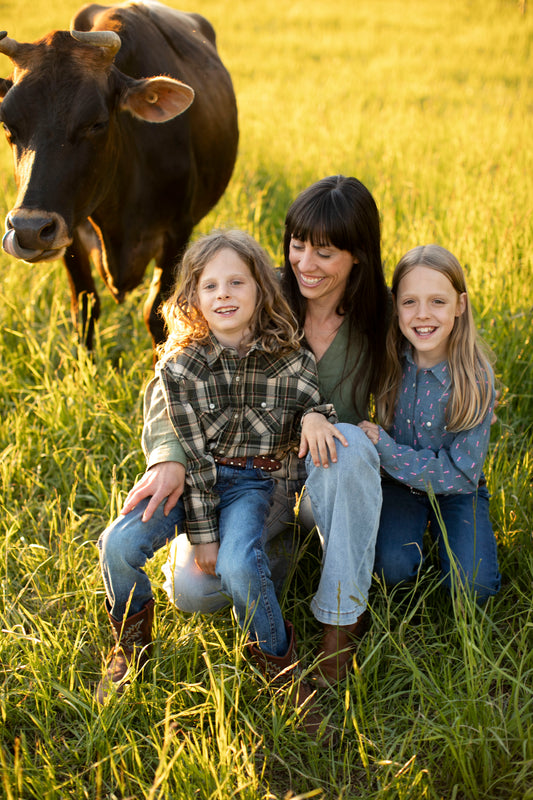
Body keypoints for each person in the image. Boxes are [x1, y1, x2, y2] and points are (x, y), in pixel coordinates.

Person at [96, 229, 346, 721]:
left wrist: (319, 416)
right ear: (192, 297)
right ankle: (131, 646)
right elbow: (192, 454)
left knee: (236, 566)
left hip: (255, 484)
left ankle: (279, 665)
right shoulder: (180, 367)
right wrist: (203, 535)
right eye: (210, 286)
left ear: (260, 290)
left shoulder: (291, 359)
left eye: (237, 283)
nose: (224, 295)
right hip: (196, 480)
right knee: (117, 546)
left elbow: (314, 408)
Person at [157, 175, 390, 686]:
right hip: (251, 480)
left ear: (358, 256)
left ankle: (340, 623)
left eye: (325, 252)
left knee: (347, 449)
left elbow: (408, 390)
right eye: (298, 245)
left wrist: (376, 433)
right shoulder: (259, 293)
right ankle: (278, 554)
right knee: (193, 593)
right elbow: (174, 374)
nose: (305, 263)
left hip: (326, 480)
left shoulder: (380, 317)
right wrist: (168, 455)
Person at [359, 244, 501, 601]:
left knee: (474, 587)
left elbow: (461, 473)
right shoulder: (388, 359)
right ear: (396, 306)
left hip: (458, 492)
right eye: (410, 302)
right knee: (388, 570)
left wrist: (387, 450)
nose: (423, 315)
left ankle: (449, 551)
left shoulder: (475, 377)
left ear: (460, 305)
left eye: (438, 301)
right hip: (397, 487)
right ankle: (409, 550)